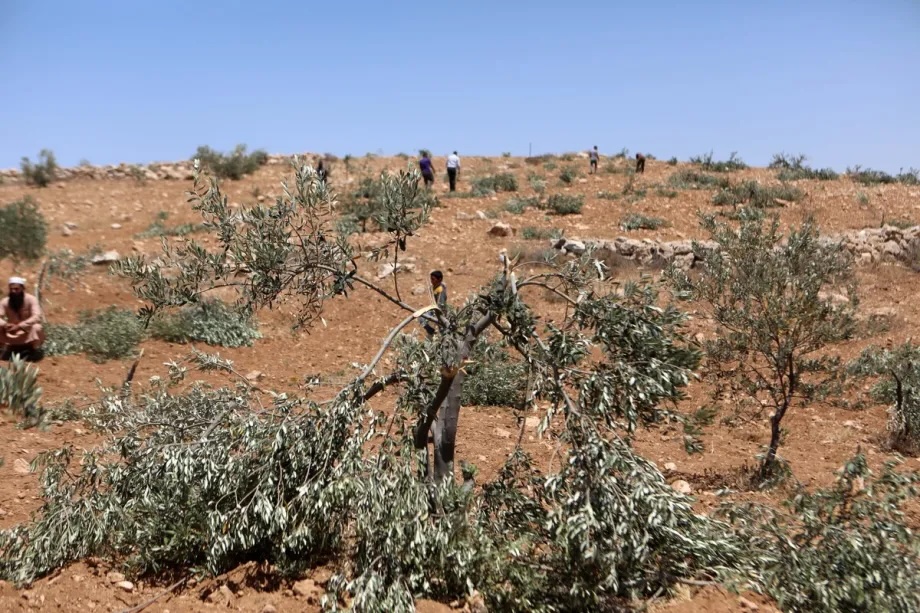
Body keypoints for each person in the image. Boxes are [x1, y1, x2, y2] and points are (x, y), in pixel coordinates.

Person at [0, 277, 45, 360]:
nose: (13, 291)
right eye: (11, 289)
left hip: (27, 333)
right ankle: (6, 349)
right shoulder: (5, 302)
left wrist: (20, 326)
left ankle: (33, 350)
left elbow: (37, 316)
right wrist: (5, 324)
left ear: (22, 288)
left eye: (16, 289)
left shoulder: (31, 299)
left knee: (37, 327)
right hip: (11, 333)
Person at [423, 270, 447, 336]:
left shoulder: (440, 290)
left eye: (433, 279)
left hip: (439, 311)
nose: (431, 281)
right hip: (434, 309)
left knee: (441, 327)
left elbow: (441, 303)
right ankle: (432, 332)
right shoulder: (434, 287)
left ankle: (433, 333)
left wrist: (437, 313)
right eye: (431, 279)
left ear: (439, 279)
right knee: (422, 318)